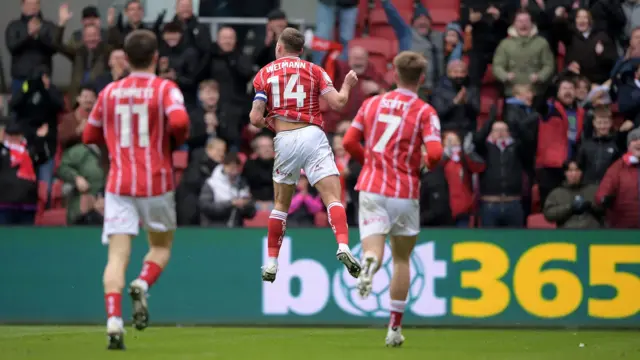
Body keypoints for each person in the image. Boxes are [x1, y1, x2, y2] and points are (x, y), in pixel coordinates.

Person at [81, 29, 190, 350]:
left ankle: (114, 323)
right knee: (161, 247)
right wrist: (174, 141)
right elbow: (181, 122)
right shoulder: (165, 89)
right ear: (156, 57)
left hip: (119, 184)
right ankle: (142, 283)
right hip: (156, 182)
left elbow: (88, 135)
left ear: (125, 59)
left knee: (116, 256)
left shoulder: (109, 92)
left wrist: (113, 144)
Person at [342, 51, 444, 347]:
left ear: (394, 75)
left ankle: (370, 263)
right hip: (404, 190)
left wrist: (372, 161)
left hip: (372, 185)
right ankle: (394, 329)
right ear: (421, 79)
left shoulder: (371, 103)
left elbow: (349, 142)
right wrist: (423, 165)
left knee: (373, 246)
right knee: (402, 258)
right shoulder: (425, 112)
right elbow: (436, 153)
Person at [250, 27, 361, 283]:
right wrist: (347, 85)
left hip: (285, 138)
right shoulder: (315, 70)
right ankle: (343, 246)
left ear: (279, 47)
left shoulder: (264, 73)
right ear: (301, 50)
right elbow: (339, 103)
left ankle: (272, 262)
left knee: (280, 204)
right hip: (313, 135)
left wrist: (270, 122)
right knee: (333, 196)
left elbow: (255, 118)